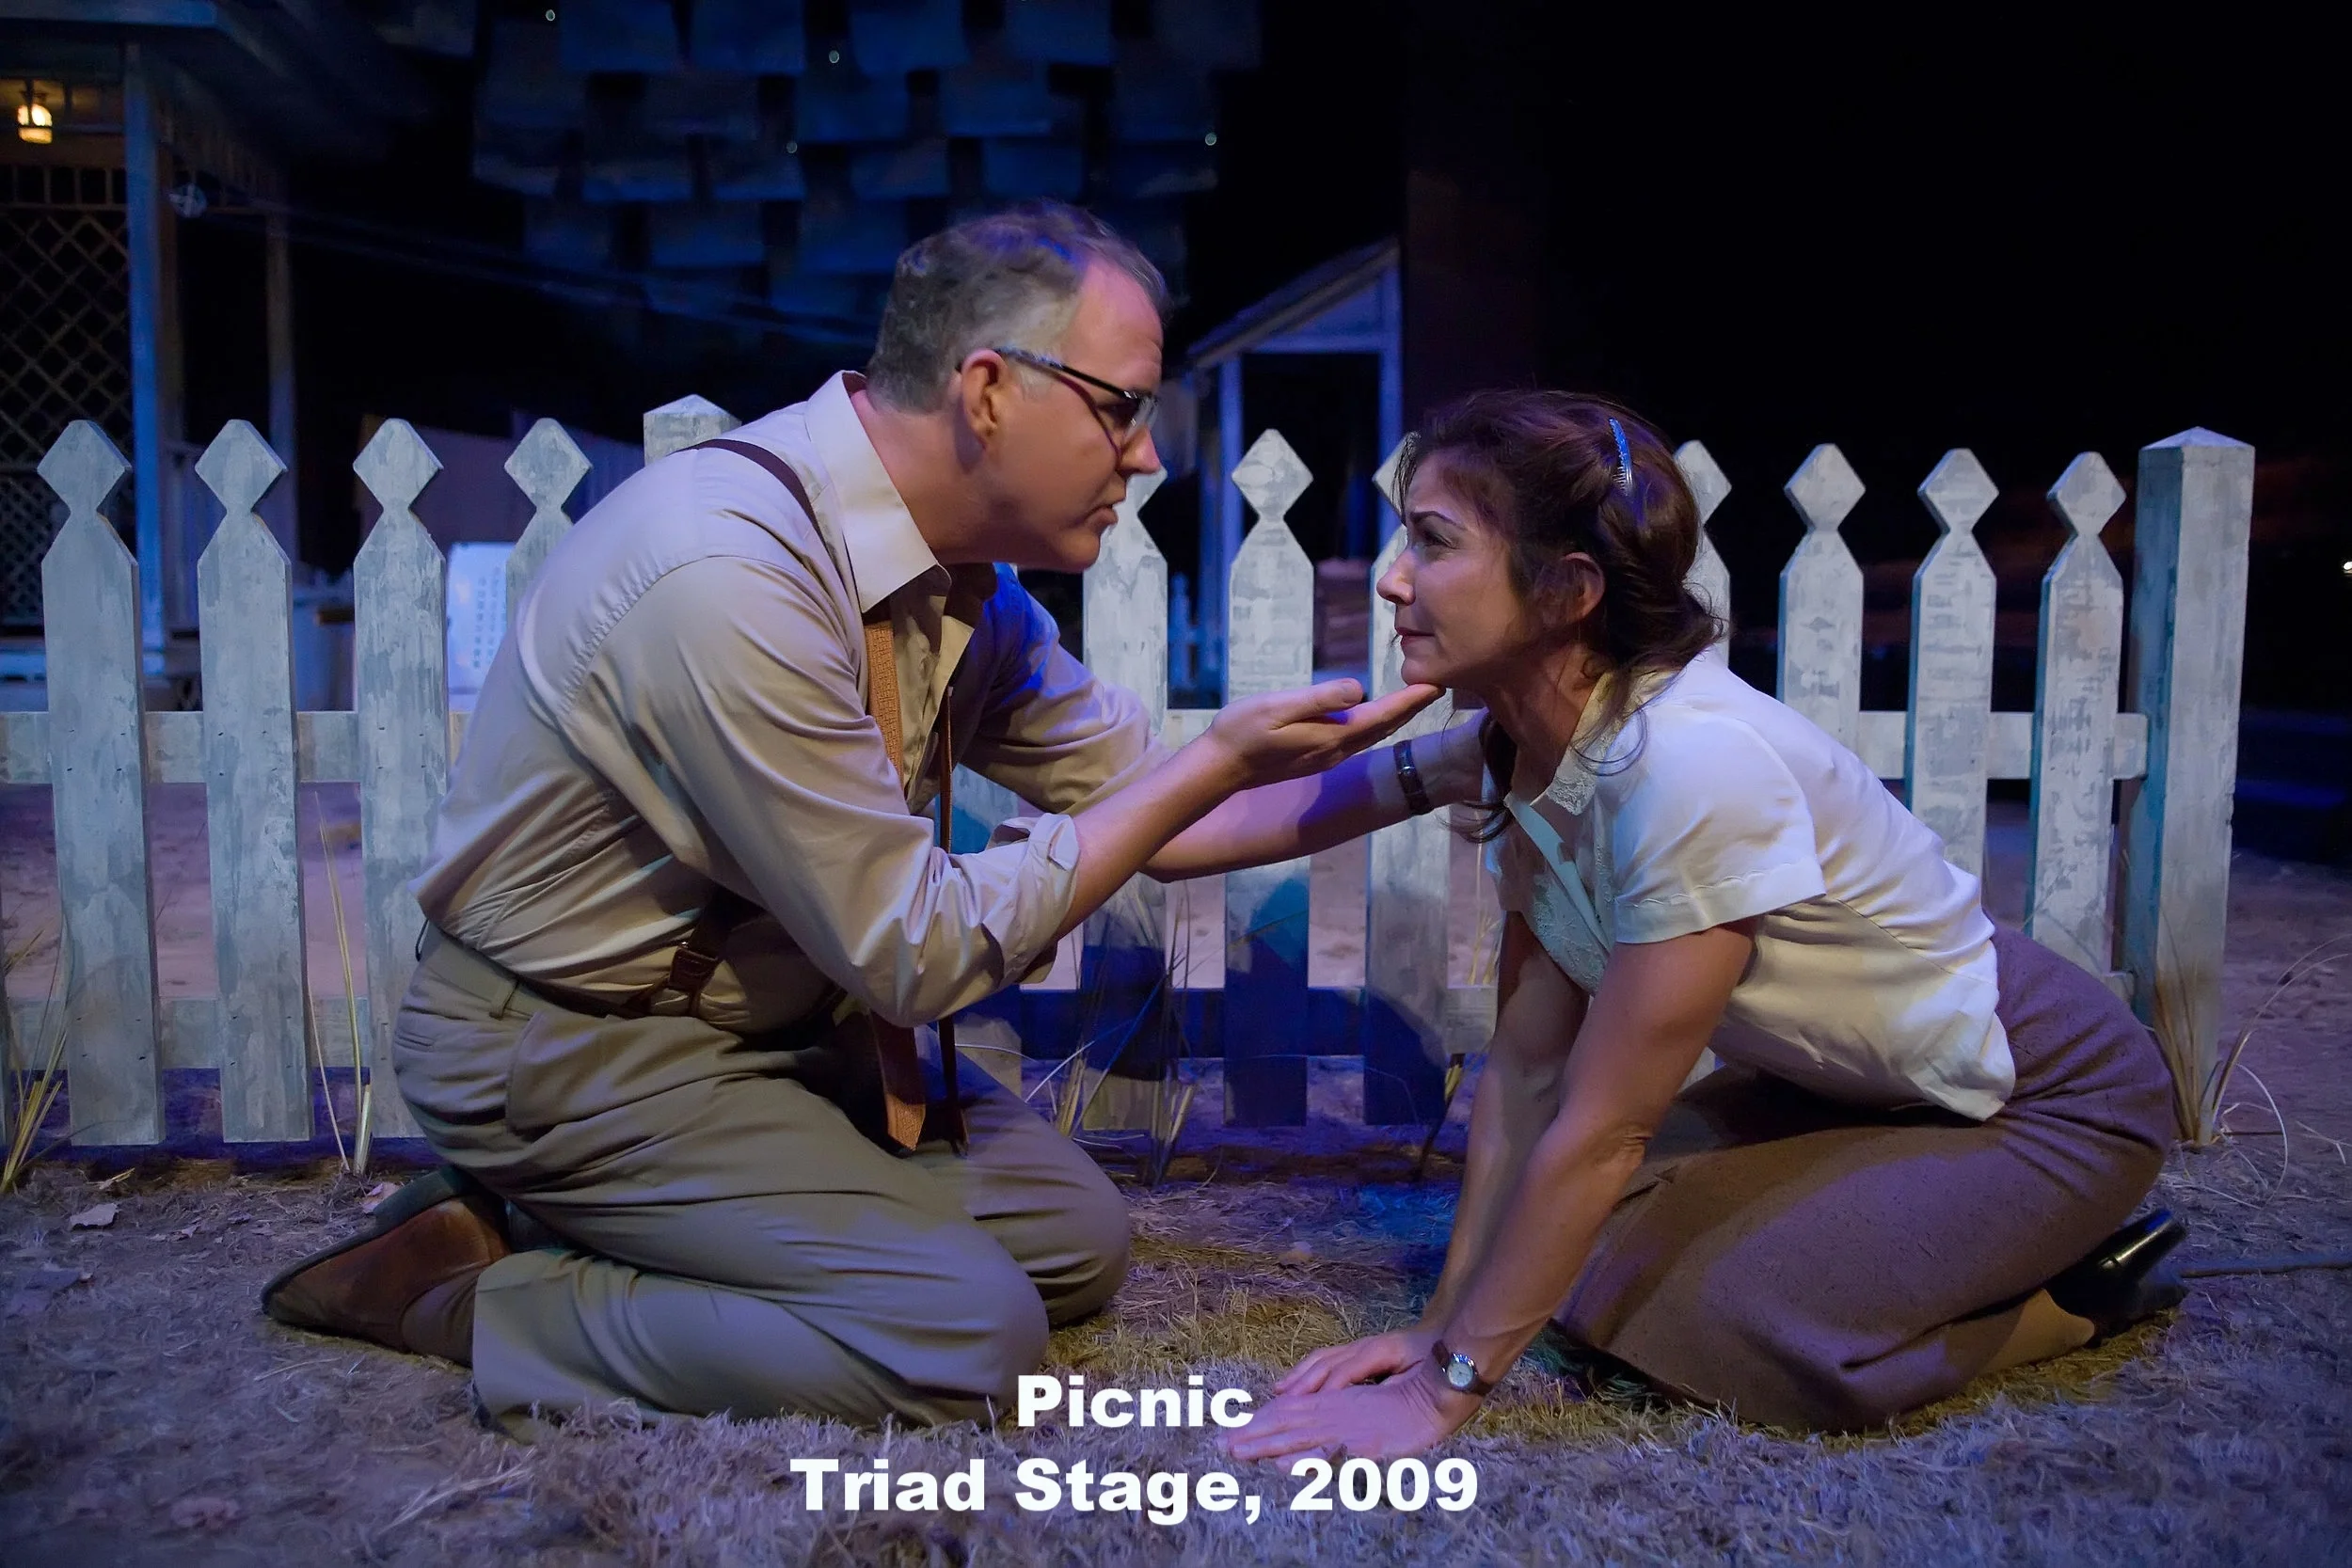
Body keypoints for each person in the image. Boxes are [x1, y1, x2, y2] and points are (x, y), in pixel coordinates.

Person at [260, 202, 1437, 1434]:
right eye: (1121, 406)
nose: (1147, 454)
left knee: (1074, 1242)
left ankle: (557, 1218)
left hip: (756, 1037)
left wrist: (1440, 768)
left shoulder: (953, 583)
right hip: (570, 1043)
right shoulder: (730, 574)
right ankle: (479, 1296)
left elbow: (1151, 800)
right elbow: (915, 952)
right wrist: (1201, 771)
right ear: (988, 391)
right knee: (966, 1337)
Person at [1149, 390, 2185, 1452]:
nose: (1391, 576)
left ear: (1567, 589)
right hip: (1847, 1088)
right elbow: (1524, 1073)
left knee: (1717, 1316)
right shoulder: (1518, 746)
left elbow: (1604, 1131)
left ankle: (2074, 1299)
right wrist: (1438, 1328)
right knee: (1578, 1256)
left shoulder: (1690, 766)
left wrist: (1438, 1395)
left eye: (1433, 540)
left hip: (2042, 1095)